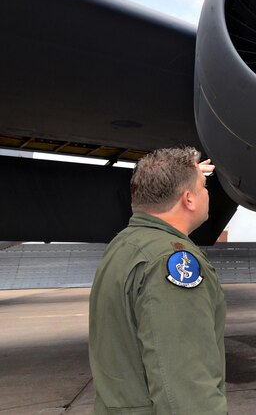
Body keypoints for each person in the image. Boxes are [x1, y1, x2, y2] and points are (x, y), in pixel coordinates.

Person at [88, 147, 227, 414]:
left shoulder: (124, 245)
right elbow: (186, 387)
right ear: (188, 199)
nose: (208, 193)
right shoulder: (171, 261)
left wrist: (186, 174)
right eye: (204, 187)